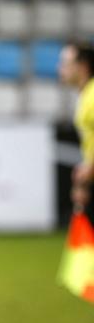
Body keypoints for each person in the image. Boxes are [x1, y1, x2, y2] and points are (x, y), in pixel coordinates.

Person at [59, 42, 94, 217]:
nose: (60, 69)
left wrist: (90, 169)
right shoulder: (86, 95)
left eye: (66, 63)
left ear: (83, 66)